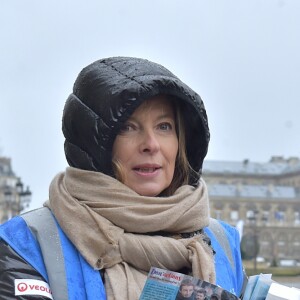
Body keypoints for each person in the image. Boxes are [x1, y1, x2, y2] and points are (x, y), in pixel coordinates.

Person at [0, 56, 246, 300]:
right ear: (95, 146)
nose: (151, 144)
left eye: (164, 127)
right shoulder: (29, 243)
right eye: (127, 127)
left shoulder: (221, 241)